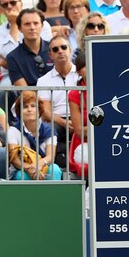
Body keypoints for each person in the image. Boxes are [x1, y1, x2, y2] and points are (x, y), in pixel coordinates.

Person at [0, 0, 53, 88]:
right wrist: (14, 25)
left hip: (44, 70)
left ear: (21, 3)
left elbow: (43, 48)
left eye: (13, 2)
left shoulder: (43, 24)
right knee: (5, 89)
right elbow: (13, 56)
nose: (10, 6)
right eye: (5, 5)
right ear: (1, 9)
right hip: (11, 73)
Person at [37, 36, 78, 167]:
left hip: (81, 117)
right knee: (49, 129)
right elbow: (45, 112)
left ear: (70, 50)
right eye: (55, 49)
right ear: (50, 55)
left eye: (64, 47)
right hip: (57, 121)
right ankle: (52, 160)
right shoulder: (43, 80)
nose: (60, 51)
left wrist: (76, 121)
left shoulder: (83, 74)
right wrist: (65, 123)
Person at [7, 91, 63, 180]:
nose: (29, 109)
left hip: (44, 167)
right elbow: (15, 160)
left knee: (54, 170)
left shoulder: (50, 130)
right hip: (22, 169)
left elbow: (50, 156)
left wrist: (39, 165)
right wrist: (30, 168)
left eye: (33, 106)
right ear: (19, 112)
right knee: (20, 176)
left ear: (39, 110)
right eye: (25, 107)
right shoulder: (13, 131)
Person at [7, 9, 53, 87]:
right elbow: (25, 92)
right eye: (27, 24)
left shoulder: (56, 49)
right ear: (19, 28)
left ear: (42, 26)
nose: (32, 27)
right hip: (30, 98)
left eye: (36, 23)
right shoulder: (12, 57)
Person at [68, 51, 88, 175]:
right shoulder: (75, 94)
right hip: (83, 143)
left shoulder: (107, 90)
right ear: (79, 72)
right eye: (86, 66)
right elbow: (79, 132)